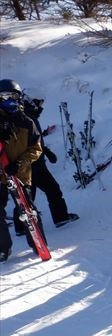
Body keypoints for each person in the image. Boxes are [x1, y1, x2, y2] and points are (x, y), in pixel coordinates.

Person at [20, 87, 79, 232]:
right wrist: (44, 153)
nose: (41, 106)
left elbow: (34, 140)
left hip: (28, 164)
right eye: (39, 103)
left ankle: (21, 227)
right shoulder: (28, 118)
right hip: (34, 165)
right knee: (52, 190)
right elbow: (30, 143)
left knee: (25, 197)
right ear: (32, 102)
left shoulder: (23, 116)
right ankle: (61, 217)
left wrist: (46, 149)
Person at [0, 79, 45, 262]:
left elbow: (36, 148)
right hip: (1, 174)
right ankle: (3, 248)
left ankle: (38, 244)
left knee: (27, 210)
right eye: (4, 97)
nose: (9, 100)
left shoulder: (27, 122)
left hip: (20, 172)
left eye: (13, 96)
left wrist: (19, 164)